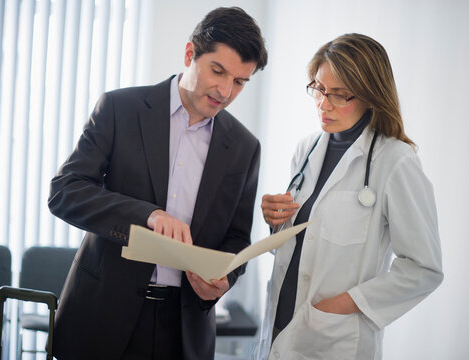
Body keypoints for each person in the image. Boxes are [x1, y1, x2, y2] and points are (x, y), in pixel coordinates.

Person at [48, 6, 267, 360]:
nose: (226, 91)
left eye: (240, 82)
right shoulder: (119, 108)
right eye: (218, 71)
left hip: (183, 331)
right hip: (101, 316)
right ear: (189, 54)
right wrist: (147, 215)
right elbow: (65, 191)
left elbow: (238, 238)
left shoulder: (244, 147)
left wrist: (224, 279)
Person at [255, 33, 443, 360]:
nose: (323, 104)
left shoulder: (395, 161)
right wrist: (277, 223)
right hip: (279, 323)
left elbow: (424, 268)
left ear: (370, 95)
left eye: (339, 95)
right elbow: (306, 243)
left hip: (333, 336)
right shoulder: (307, 149)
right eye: (318, 88)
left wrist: (345, 304)